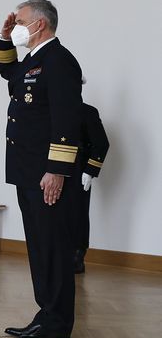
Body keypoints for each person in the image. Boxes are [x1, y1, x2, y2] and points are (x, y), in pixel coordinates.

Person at [0, 0, 83, 338]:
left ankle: (58, 323)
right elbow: (9, 73)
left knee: (53, 248)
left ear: (40, 24)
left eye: (21, 20)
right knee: (40, 247)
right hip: (28, 172)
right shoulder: (34, 60)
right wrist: (4, 40)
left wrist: (57, 170)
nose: (16, 24)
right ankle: (46, 315)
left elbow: (66, 120)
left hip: (46, 175)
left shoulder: (59, 61)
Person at [72, 102, 109, 274]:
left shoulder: (87, 111)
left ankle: (77, 256)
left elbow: (101, 143)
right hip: (53, 169)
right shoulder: (51, 109)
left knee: (78, 213)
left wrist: (90, 170)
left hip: (79, 169)